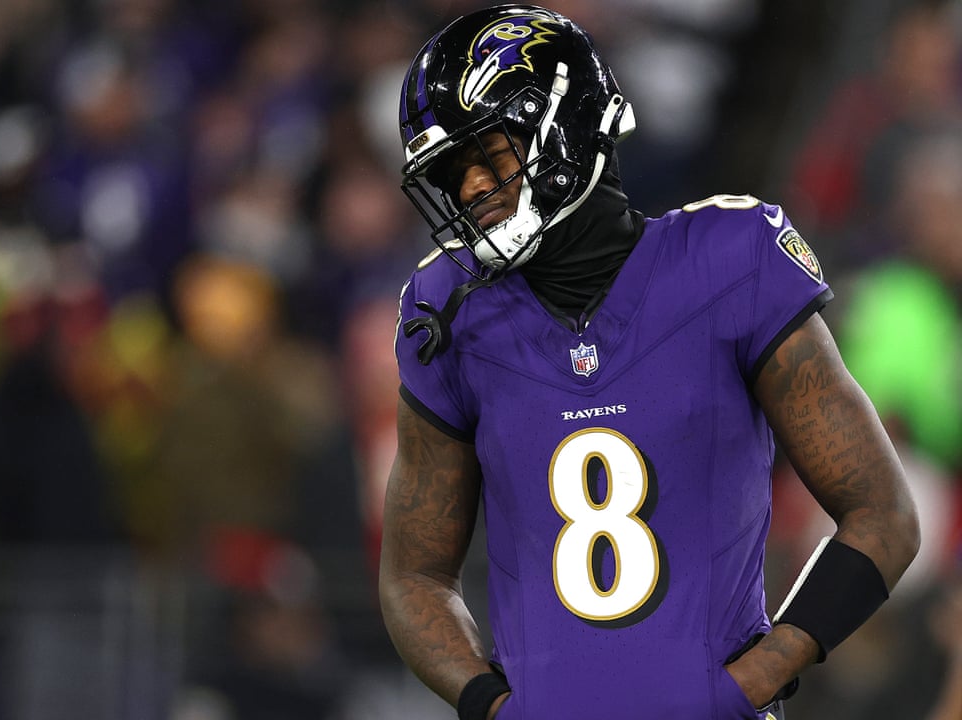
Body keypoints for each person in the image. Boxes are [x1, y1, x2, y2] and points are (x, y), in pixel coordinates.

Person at [378, 6, 920, 720]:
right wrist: (490, 705)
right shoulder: (450, 310)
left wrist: (755, 680)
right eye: (453, 174)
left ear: (564, 128)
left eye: (491, 157)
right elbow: (413, 574)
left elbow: (883, 514)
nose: (472, 187)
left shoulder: (731, 260)